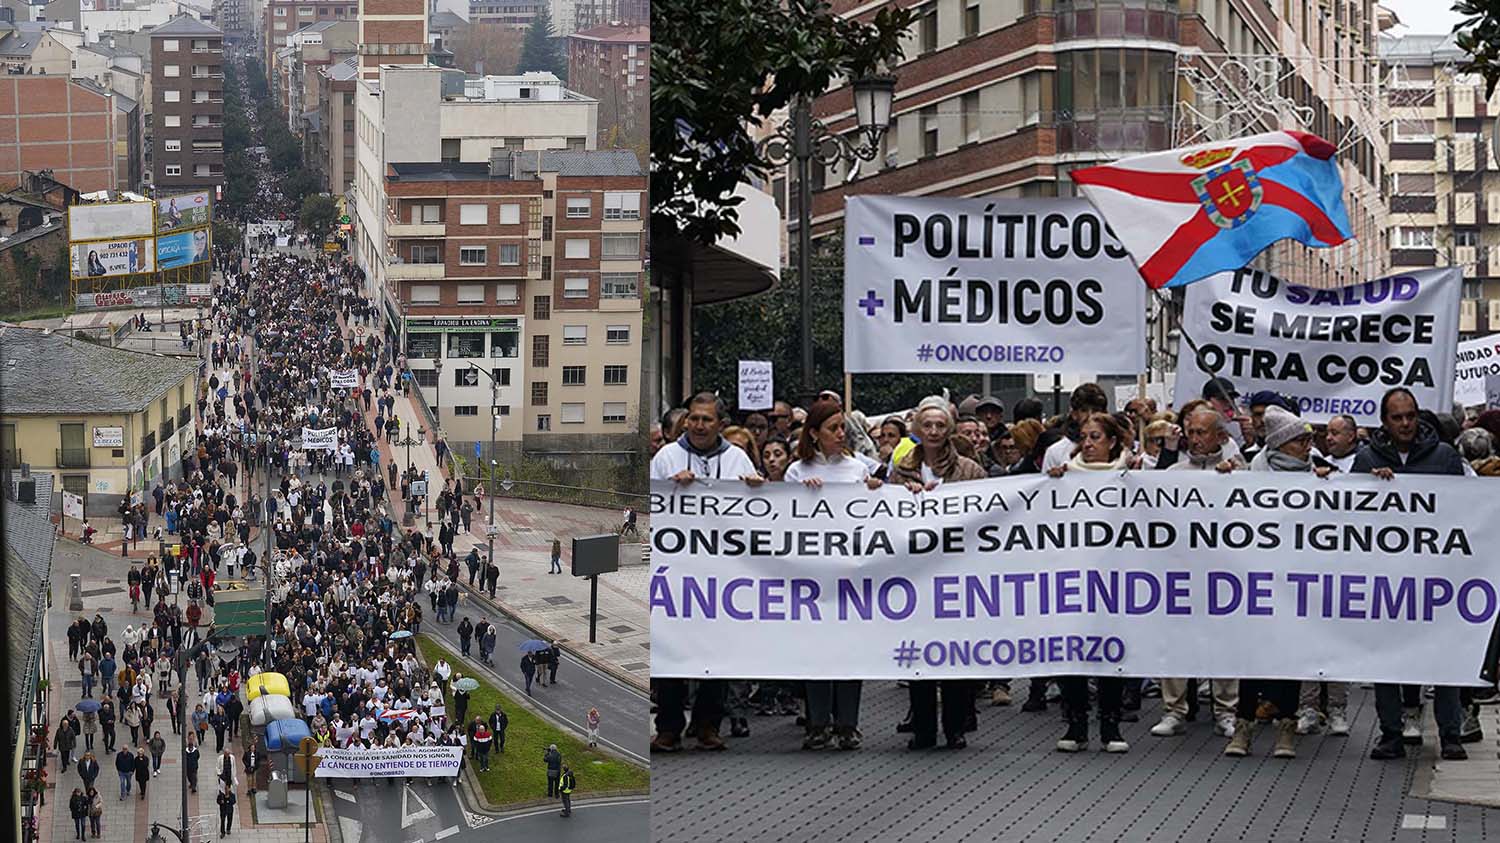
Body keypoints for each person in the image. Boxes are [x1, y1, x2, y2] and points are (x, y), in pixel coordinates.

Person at [1354, 387, 1470, 762]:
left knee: (1443, 657)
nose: (1405, 423)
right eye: (1397, 417)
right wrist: (1369, 485)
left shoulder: (1445, 457)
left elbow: (1465, 513)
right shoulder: (1366, 458)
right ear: (1384, 421)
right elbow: (1346, 513)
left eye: (1410, 415)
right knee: (1387, 659)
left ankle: (1450, 734)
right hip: (1386, 580)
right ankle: (1391, 734)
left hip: (1436, 579)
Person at [649, 392, 762, 753]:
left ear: (720, 424)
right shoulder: (667, 458)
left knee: (717, 652)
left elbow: (755, 511)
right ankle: (668, 727)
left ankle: (708, 724)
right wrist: (669, 489)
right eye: (693, 419)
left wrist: (758, 490)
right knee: (671, 650)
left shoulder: (737, 458)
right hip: (679, 574)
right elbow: (650, 505)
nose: (698, 425)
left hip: (723, 575)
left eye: (706, 420)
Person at [1223, 406, 1327, 759]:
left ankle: (1286, 726)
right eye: (1301, 440)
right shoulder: (1251, 472)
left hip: (1296, 579)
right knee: (1252, 657)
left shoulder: (1319, 474)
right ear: (1282, 445)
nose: (1308, 446)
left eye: (1309, 439)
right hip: (1256, 578)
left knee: (1288, 656)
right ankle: (1244, 727)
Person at [888, 396, 987, 750]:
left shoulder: (969, 469)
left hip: (956, 573)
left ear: (949, 430)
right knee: (919, 654)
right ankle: (924, 728)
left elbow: (986, 513)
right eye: (927, 425)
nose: (933, 431)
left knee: (955, 654)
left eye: (940, 425)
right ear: (917, 430)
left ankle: (956, 727)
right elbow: (886, 514)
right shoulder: (902, 470)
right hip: (916, 574)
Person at [784, 398, 881, 750]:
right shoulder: (798, 472)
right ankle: (818, 722)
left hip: (851, 573)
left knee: (850, 650)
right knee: (816, 652)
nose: (841, 434)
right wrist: (800, 495)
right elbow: (783, 518)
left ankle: (847, 723)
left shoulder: (858, 469)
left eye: (843, 427)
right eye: (833, 428)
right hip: (812, 576)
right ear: (814, 433)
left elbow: (876, 515)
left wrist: (873, 493)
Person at [1148, 406, 1245, 741]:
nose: (1194, 439)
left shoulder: (1238, 472)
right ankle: (1174, 710)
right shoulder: (1175, 472)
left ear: (1220, 435)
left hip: (1223, 572)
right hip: (1182, 570)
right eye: (1190, 432)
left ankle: (1227, 711)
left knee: (1226, 642)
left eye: (1201, 432)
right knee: (1175, 640)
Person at [1047, 412, 1134, 753]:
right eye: (1084, 437)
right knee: (1072, 650)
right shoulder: (1065, 476)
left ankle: (1110, 725)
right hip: (1074, 575)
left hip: (1116, 576)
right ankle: (1076, 724)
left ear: (1112, 442)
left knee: (1111, 649)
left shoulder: (1131, 474)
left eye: (1096, 437)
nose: (1088, 443)